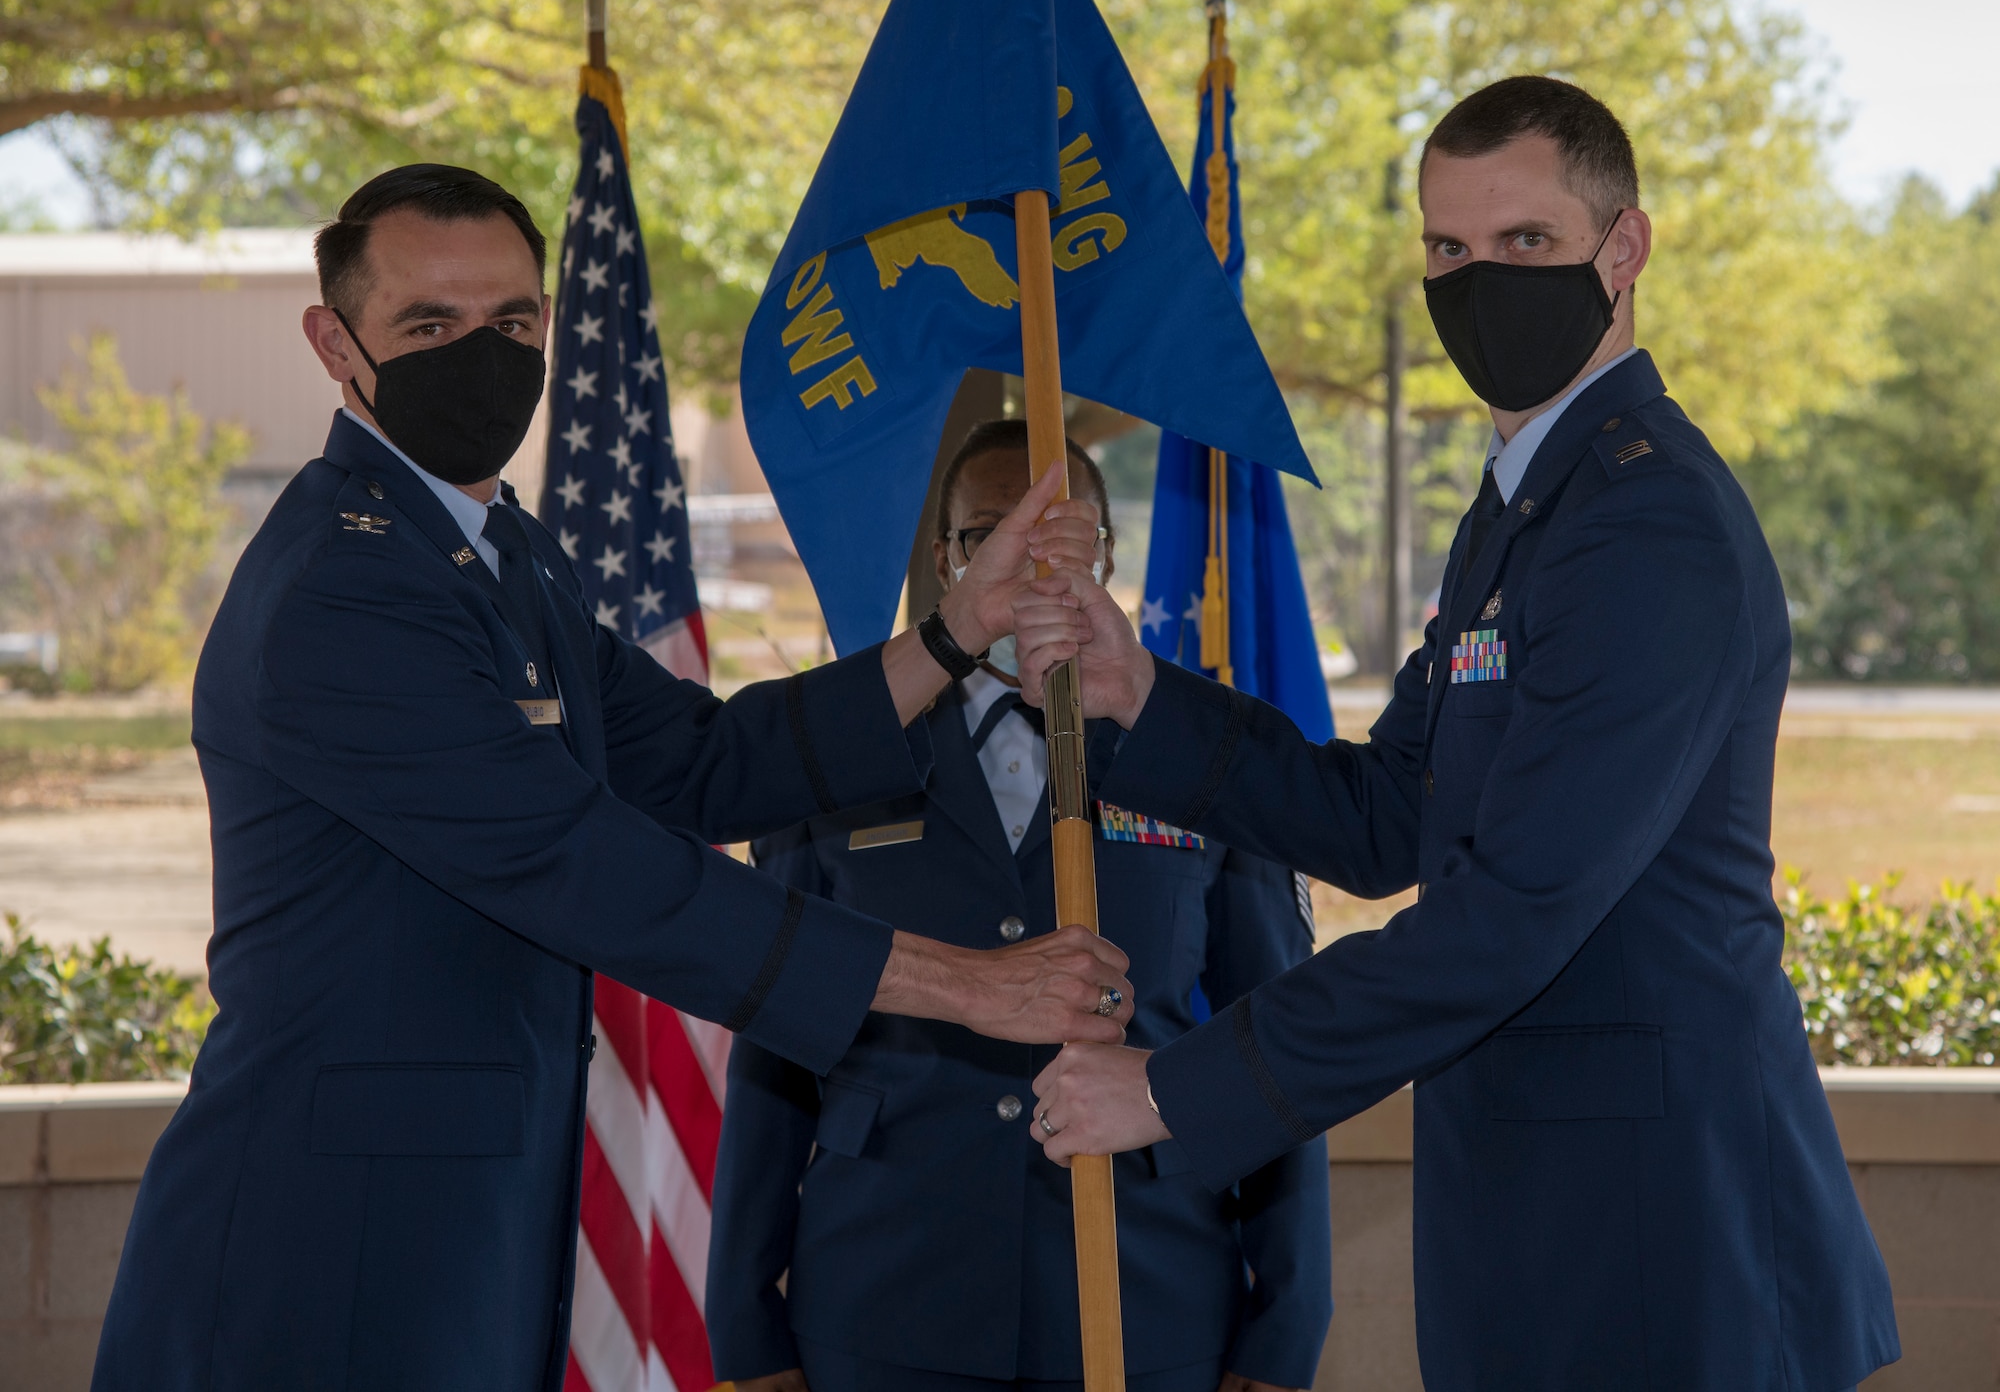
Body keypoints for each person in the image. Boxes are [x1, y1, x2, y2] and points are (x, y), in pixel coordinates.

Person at [91, 166, 1129, 1392]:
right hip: (327, 1233)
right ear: (335, 341)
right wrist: (963, 986)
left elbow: (697, 760)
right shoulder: (342, 587)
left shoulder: (500, 556)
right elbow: (583, 866)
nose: (481, 357)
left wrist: (954, 629)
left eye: (514, 324)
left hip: (477, 1204)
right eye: (429, 326)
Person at [1015, 79, 1901, 1391]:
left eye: (1526, 243)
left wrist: (1174, 1088)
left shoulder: (1643, 526)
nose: (1479, 282)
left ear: (1625, 249)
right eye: (1449, 249)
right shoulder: (1525, 514)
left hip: (1659, 1234)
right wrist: (1141, 694)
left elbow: (1515, 910)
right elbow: (1388, 816)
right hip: (1538, 1212)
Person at [706, 421, 1332, 1392]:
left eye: (1057, 540)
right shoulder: (840, 755)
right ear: (945, 556)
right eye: (987, 533)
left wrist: (1286, 1328)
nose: (1022, 562)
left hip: (1143, 1298)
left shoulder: (1201, 760)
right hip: (882, 1301)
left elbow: (1273, 1047)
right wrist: (745, 1325)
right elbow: (775, 1039)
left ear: (1104, 559)